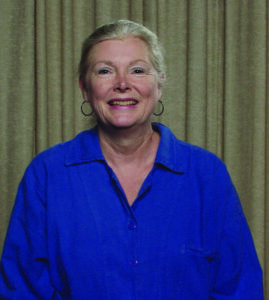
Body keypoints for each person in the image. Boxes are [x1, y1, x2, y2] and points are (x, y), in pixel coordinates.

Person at [0, 20, 263, 299]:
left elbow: (239, 289)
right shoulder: (47, 175)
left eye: (137, 70)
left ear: (159, 85)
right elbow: (22, 290)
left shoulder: (208, 174)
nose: (122, 84)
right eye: (104, 71)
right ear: (85, 89)